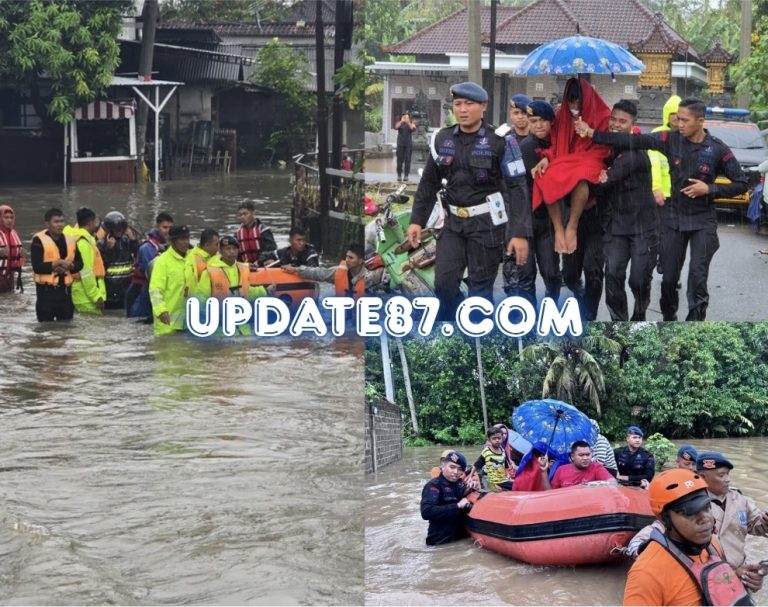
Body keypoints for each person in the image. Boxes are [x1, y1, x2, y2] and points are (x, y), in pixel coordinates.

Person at [576, 97, 748, 321]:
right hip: (672, 219)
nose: (679, 123)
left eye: (685, 120)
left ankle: (693, 329)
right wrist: (592, 133)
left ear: (700, 121)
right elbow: (634, 141)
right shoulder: (669, 139)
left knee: (697, 278)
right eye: (677, 118)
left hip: (702, 221)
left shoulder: (717, 149)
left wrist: (710, 188)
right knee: (668, 280)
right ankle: (669, 319)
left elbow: (741, 183)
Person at [406, 81, 531, 320]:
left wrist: (519, 233)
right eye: (458, 104)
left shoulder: (502, 141)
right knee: (444, 285)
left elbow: (517, 189)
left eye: (469, 104)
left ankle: (476, 339)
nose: (462, 109)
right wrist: (416, 221)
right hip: (453, 225)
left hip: (487, 226)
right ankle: (458, 320)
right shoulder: (442, 139)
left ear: (483, 106)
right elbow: (428, 184)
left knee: (480, 294)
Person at [623, 468, 759, 605]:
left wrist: (737, 577)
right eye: (690, 513)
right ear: (664, 519)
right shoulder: (646, 575)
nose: (706, 519)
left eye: (706, 507)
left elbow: (714, 583)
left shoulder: (713, 543)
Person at [531, 77, 611, 255]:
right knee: (545, 175)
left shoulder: (604, 114)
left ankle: (572, 226)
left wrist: (589, 131)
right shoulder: (562, 114)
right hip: (566, 157)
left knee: (580, 176)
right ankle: (559, 228)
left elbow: (606, 146)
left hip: (592, 156)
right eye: (571, 103)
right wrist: (547, 158)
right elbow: (555, 143)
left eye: (577, 103)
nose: (574, 108)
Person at [597, 100, 659, 321]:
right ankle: (619, 324)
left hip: (643, 227)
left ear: (633, 125)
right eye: (613, 119)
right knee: (613, 275)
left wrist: (604, 176)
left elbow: (605, 182)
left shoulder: (635, 151)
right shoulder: (607, 148)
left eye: (622, 121)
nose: (615, 125)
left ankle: (639, 315)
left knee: (639, 279)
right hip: (615, 227)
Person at [506, 100, 562, 307]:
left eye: (542, 121)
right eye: (533, 121)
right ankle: (529, 318)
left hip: (547, 219)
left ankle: (552, 310)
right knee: (525, 275)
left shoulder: (559, 144)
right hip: (526, 219)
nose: (538, 125)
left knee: (552, 273)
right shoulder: (526, 147)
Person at [697, 451, 768, 575]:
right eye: (721, 475)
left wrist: (765, 521)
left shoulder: (739, 499)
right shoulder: (692, 504)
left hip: (741, 570)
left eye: (728, 474)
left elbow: (754, 525)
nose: (728, 480)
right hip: (708, 575)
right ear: (703, 477)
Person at [195, 235, 268, 336]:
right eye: (228, 249)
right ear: (220, 251)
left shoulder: (243, 269)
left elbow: (246, 291)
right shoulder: (209, 272)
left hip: (243, 330)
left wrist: (265, 291)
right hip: (219, 331)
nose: (232, 252)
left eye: (234, 248)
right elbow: (201, 300)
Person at [31, 208, 83, 322]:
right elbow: (37, 267)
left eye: (62, 221)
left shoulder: (70, 240)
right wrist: (56, 264)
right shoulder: (38, 240)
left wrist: (71, 266)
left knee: (66, 328)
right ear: (47, 224)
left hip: (65, 293)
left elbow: (80, 263)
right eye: (56, 222)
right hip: (46, 293)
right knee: (46, 329)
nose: (60, 225)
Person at [282, 243, 385, 297]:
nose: (347, 260)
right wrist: (296, 269)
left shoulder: (371, 276)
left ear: (360, 261)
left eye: (351, 258)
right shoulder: (339, 272)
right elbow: (318, 273)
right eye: (346, 257)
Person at [420, 450, 477, 545]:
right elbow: (426, 512)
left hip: (460, 542)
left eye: (460, 469)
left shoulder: (460, 485)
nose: (455, 472)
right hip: (440, 543)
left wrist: (472, 488)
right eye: (452, 467)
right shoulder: (434, 486)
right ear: (443, 466)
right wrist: (457, 506)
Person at [650, 95, 680, 272]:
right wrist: (656, 188)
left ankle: (672, 271)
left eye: (680, 113)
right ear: (667, 115)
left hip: (683, 195)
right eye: (673, 113)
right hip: (664, 194)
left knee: (677, 236)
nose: (676, 117)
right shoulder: (658, 135)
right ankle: (662, 261)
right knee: (662, 232)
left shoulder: (690, 135)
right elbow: (653, 165)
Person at [148, 225, 195, 336]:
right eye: (182, 239)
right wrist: (161, 311)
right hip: (167, 325)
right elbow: (155, 289)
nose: (185, 242)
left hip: (189, 325)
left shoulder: (193, 258)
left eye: (187, 239)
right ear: (172, 241)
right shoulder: (162, 262)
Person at [126, 212, 173, 319]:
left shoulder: (169, 247)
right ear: (157, 227)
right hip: (140, 296)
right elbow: (152, 274)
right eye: (165, 227)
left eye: (171, 227)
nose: (168, 231)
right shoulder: (147, 248)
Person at [63, 207, 107, 315]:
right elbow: (86, 271)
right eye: (95, 222)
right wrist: (96, 297)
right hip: (86, 298)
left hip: (83, 295)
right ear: (90, 223)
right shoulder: (83, 242)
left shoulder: (82, 239)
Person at [98, 211, 139, 309]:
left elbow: (138, 254)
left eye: (122, 228)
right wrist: (109, 249)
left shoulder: (127, 242)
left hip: (126, 288)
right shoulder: (101, 244)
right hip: (109, 289)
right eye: (117, 229)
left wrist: (133, 240)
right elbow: (101, 266)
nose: (119, 231)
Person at [549, 440, 614, 489]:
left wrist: (591, 485)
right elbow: (552, 493)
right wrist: (543, 472)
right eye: (581, 455)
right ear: (572, 456)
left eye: (588, 455)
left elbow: (613, 482)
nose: (585, 458)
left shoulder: (596, 467)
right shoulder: (561, 470)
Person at [236, 201, 276, 267]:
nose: (242, 217)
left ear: (253, 213)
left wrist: (259, 262)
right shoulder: (237, 233)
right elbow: (236, 253)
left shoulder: (264, 230)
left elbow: (271, 251)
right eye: (240, 215)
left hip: (262, 265)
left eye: (245, 214)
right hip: (245, 266)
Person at [474, 427, 512, 492]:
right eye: (494, 438)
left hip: (503, 480)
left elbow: (505, 465)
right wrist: (471, 477)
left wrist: (508, 475)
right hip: (492, 482)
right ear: (489, 440)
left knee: (517, 485)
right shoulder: (486, 452)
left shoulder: (502, 451)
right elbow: (476, 465)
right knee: (504, 492)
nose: (497, 440)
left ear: (502, 439)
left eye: (499, 438)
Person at [0, 204, 25, 293]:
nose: (9, 220)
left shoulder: (13, 233)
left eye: (11, 217)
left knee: (9, 301)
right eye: (6, 217)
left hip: (9, 277)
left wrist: (22, 255)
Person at [394, 113, 416, 181]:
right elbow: (396, 127)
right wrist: (402, 121)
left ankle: (406, 176)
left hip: (408, 145)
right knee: (399, 161)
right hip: (400, 144)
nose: (405, 118)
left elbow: (413, 128)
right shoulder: (400, 123)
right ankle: (399, 175)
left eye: (407, 117)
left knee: (407, 161)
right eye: (404, 117)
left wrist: (408, 122)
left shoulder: (411, 123)